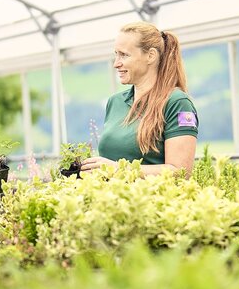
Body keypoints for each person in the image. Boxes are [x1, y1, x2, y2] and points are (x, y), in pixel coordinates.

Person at [81, 21, 198, 177]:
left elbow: (181, 172)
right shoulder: (115, 102)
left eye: (124, 55)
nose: (116, 63)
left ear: (150, 56)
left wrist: (117, 169)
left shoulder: (177, 103)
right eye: (116, 54)